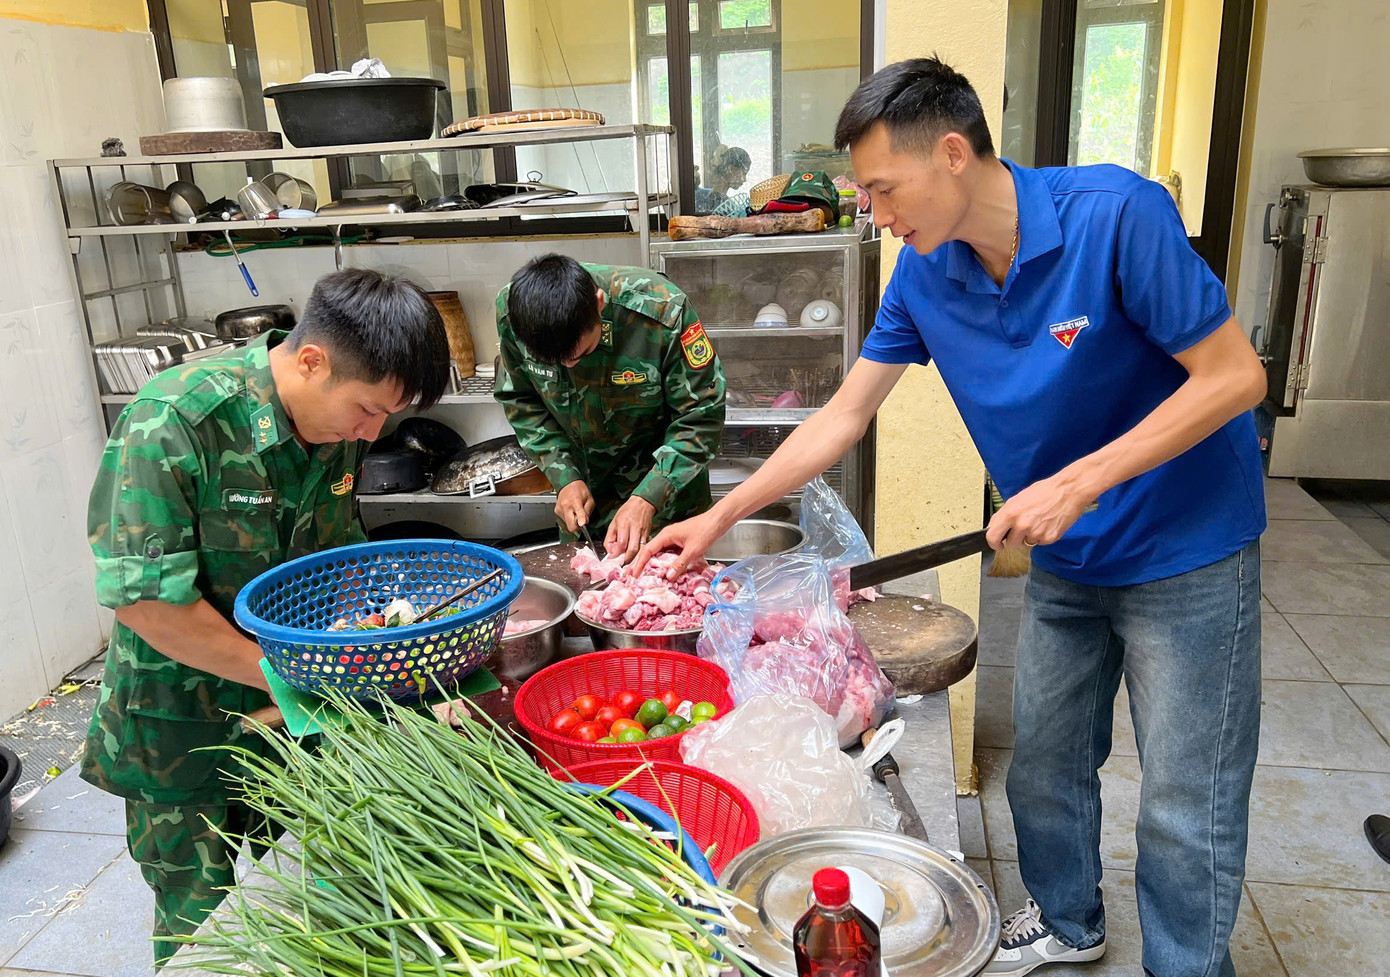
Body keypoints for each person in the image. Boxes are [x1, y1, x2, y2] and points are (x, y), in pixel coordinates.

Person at [637, 57, 1267, 977]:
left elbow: (1235, 377)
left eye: (884, 188)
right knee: (1047, 763)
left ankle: (1187, 965)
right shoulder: (924, 274)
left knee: (1184, 790)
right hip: (1067, 555)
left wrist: (1079, 481)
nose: (877, 213)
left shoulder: (1115, 217)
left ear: (953, 153)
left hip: (1190, 549)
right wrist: (720, 511)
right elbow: (845, 415)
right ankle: (1067, 918)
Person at [80, 269, 451, 967]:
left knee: (316, 897)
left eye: (385, 418)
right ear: (310, 360)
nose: (372, 433)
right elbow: (149, 602)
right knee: (208, 932)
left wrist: (372, 646)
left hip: (292, 721)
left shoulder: (338, 429)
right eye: (367, 409)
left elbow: (335, 557)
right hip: (180, 726)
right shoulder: (176, 419)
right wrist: (282, 675)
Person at [494, 254, 725, 560]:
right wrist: (563, 475)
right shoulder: (515, 315)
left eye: (580, 354)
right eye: (555, 363)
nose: (568, 365)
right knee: (593, 598)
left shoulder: (663, 311)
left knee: (672, 598)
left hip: (669, 501)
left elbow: (702, 418)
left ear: (599, 304)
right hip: (584, 511)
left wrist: (649, 496)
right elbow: (522, 401)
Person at [695, 145, 752, 213]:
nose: (744, 179)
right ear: (731, 170)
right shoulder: (721, 206)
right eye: (743, 173)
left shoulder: (711, 198)